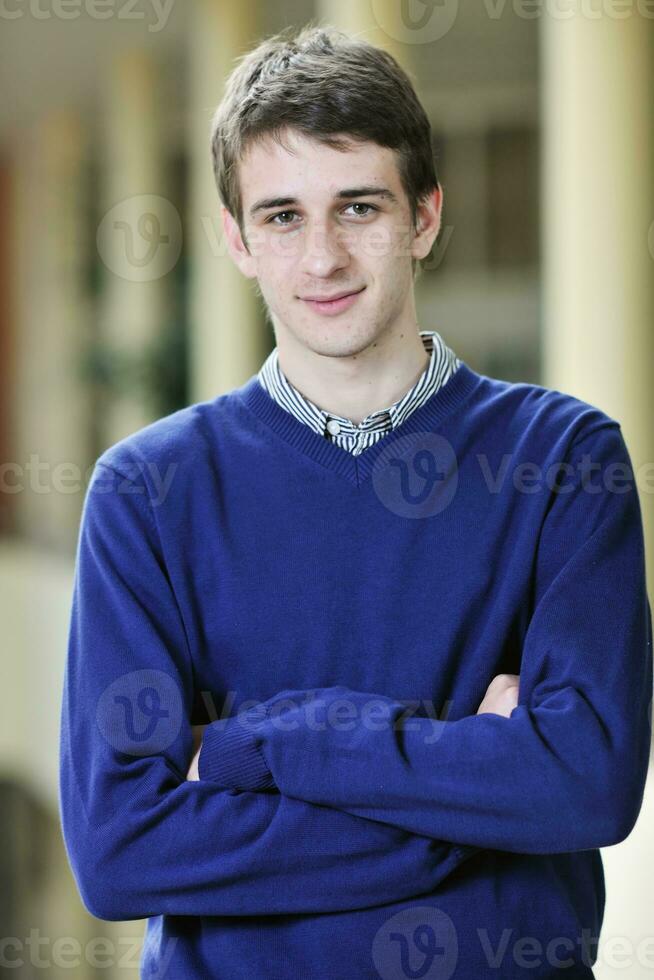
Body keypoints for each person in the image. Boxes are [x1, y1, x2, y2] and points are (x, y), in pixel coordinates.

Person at [59, 23, 652, 980]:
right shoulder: (147, 491)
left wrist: (264, 739)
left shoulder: (563, 461)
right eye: (283, 215)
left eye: (360, 207)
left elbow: (586, 789)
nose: (323, 257)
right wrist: (467, 792)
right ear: (236, 239)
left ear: (423, 218)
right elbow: (120, 850)